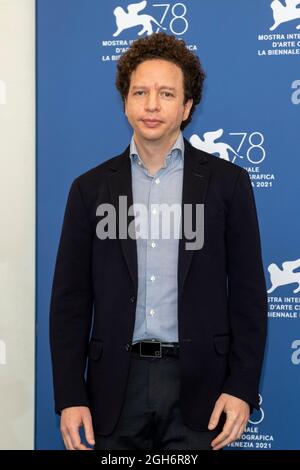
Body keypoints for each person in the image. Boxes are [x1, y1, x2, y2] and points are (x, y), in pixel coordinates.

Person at [50, 32, 267, 451]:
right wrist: (70, 395)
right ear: (126, 103)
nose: (152, 105)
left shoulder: (228, 185)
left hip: (202, 387)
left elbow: (249, 297)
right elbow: (69, 302)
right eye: (141, 92)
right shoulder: (89, 189)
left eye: (167, 93)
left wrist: (241, 386)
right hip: (114, 386)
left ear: (186, 107)